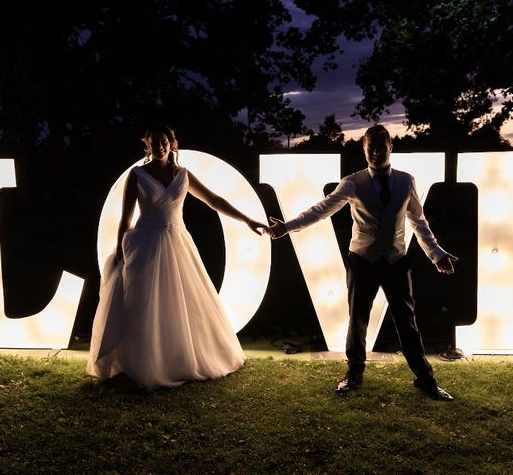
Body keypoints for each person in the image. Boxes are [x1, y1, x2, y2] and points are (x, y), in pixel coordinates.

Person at [268, 124, 457, 401]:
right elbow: (322, 210)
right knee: (357, 321)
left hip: (395, 261)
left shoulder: (406, 181)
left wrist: (436, 253)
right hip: (363, 261)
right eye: (371, 148)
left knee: (407, 323)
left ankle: (425, 379)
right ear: (364, 149)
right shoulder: (353, 182)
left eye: (381, 147)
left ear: (391, 147)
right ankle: (353, 374)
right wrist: (288, 226)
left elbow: (419, 221)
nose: (376, 153)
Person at [88, 124, 267, 390]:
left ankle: (175, 359)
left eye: (163, 140)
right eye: (153, 142)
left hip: (176, 243)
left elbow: (213, 200)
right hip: (144, 244)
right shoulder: (136, 175)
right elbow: (125, 218)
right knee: (142, 306)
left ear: (172, 143)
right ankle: (139, 365)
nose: (159, 145)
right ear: (146, 146)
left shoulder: (183, 175)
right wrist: (119, 251)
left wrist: (248, 220)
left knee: (181, 304)